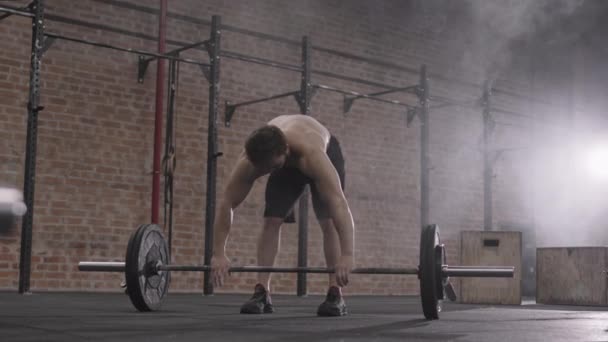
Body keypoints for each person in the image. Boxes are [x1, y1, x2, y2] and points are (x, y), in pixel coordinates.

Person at [210, 114, 355, 317]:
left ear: (285, 150)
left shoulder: (312, 155)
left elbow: (339, 204)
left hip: (323, 150)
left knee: (328, 220)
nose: (266, 172)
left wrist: (347, 255)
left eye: (272, 167)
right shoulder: (252, 160)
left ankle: (335, 292)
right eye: (264, 169)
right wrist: (218, 253)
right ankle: (262, 291)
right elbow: (227, 203)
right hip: (285, 161)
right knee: (271, 220)